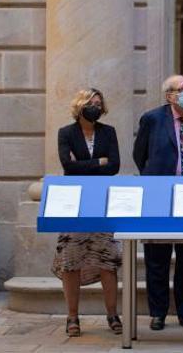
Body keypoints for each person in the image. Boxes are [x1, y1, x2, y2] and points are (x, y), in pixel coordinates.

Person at [133, 74, 183, 331]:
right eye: (182, 89)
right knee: (157, 258)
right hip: (161, 197)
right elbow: (140, 155)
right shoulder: (152, 119)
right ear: (169, 95)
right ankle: (158, 313)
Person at [52, 88, 122, 337]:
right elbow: (67, 165)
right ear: (80, 105)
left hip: (102, 202)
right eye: (92, 102)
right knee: (71, 260)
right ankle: (72, 317)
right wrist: (98, 162)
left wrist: (86, 165)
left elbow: (114, 166)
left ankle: (113, 315)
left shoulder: (108, 132)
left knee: (108, 259)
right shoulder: (66, 133)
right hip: (74, 204)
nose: (96, 106)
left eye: (99, 103)